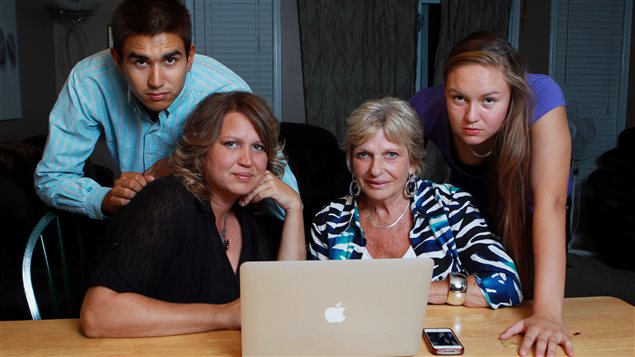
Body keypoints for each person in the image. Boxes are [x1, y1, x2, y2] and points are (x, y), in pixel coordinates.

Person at [34, 0, 297, 220]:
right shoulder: (89, 82)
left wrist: (186, 166)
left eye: (170, 60)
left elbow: (281, 188)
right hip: (139, 228)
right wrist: (104, 199)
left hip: (217, 227)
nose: (156, 81)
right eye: (140, 62)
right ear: (117, 60)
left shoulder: (225, 90)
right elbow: (52, 178)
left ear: (190, 56)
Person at [80, 91, 305, 337]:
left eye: (258, 147)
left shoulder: (252, 219)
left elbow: (288, 301)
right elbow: (97, 315)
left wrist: (294, 208)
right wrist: (224, 315)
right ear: (201, 150)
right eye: (231, 144)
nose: (247, 160)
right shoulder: (169, 200)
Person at [409, 31, 573, 357]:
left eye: (489, 100)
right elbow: (389, 180)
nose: (471, 116)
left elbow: (550, 205)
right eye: (458, 98)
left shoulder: (542, 98)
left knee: (524, 305)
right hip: (470, 213)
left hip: (531, 214)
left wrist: (548, 314)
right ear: (444, 92)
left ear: (511, 94)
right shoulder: (425, 106)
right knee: (469, 305)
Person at [309, 97, 523, 309]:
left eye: (391, 155)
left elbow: (506, 283)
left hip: (435, 336)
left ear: (414, 162)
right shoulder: (330, 221)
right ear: (351, 162)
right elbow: (313, 302)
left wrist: (422, 290)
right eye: (364, 155)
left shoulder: (450, 206)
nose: (375, 169)